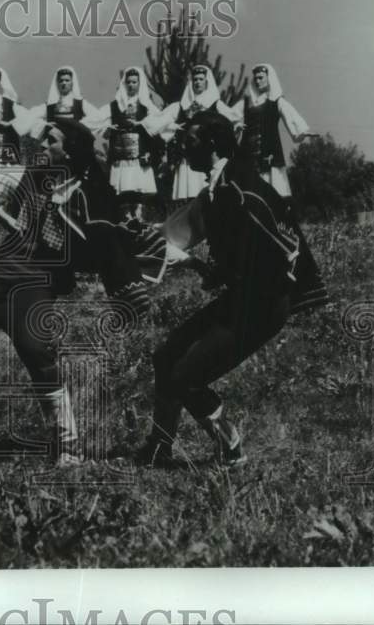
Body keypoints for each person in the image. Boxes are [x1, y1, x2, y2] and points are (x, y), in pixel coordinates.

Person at [0, 118, 156, 467]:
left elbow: (104, 244)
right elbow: (16, 219)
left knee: (39, 359)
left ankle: (68, 445)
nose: (43, 146)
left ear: (71, 150)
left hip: (34, 286)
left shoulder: (93, 194)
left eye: (52, 141)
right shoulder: (31, 178)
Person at [136, 111, 328, 467]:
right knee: (165, 358)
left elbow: (284, 248)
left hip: (263, 304)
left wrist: (292, 293)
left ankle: (232, 447)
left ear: (210, 145)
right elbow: (199, 241)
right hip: (244, 297)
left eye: (190, 142)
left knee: (185, 376)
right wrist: (201, 266)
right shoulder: (218, 187)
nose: (183, 148)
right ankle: (159, 446)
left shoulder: (239, 188)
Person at [162, 64, 243, 203]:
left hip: (205, 158)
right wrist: (174, 127)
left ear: (207, 82)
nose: (198, 82)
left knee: (205, 194)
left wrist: (237, 127)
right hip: (186, 159)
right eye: (195, 79)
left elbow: (233, 119)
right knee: (185, 197)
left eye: (201, 79)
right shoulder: (182, 106)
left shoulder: (215, 104)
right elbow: (160, 122)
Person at [241, 63, 316, 198]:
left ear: (269, 78)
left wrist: (300, 132)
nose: (258, 81)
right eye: (256, 79)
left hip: (270, 154)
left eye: (261, 78)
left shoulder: (276, 101)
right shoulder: (247, 104)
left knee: (275, 192)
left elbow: (290, 116)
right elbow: (231, 116)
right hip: (250, 157)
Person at [106, 66, 163, 219]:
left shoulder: (146, 105)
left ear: (139, 83)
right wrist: (109, 127)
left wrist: (142, 124)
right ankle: (126, 220)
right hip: (121, 154)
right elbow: (98, 122)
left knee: (138, 189)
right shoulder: (115, 105)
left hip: (139, 153)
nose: (131, 85)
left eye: (134, 82)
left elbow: (159, 122)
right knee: (124, 189)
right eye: (128, 82)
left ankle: (138, 220)